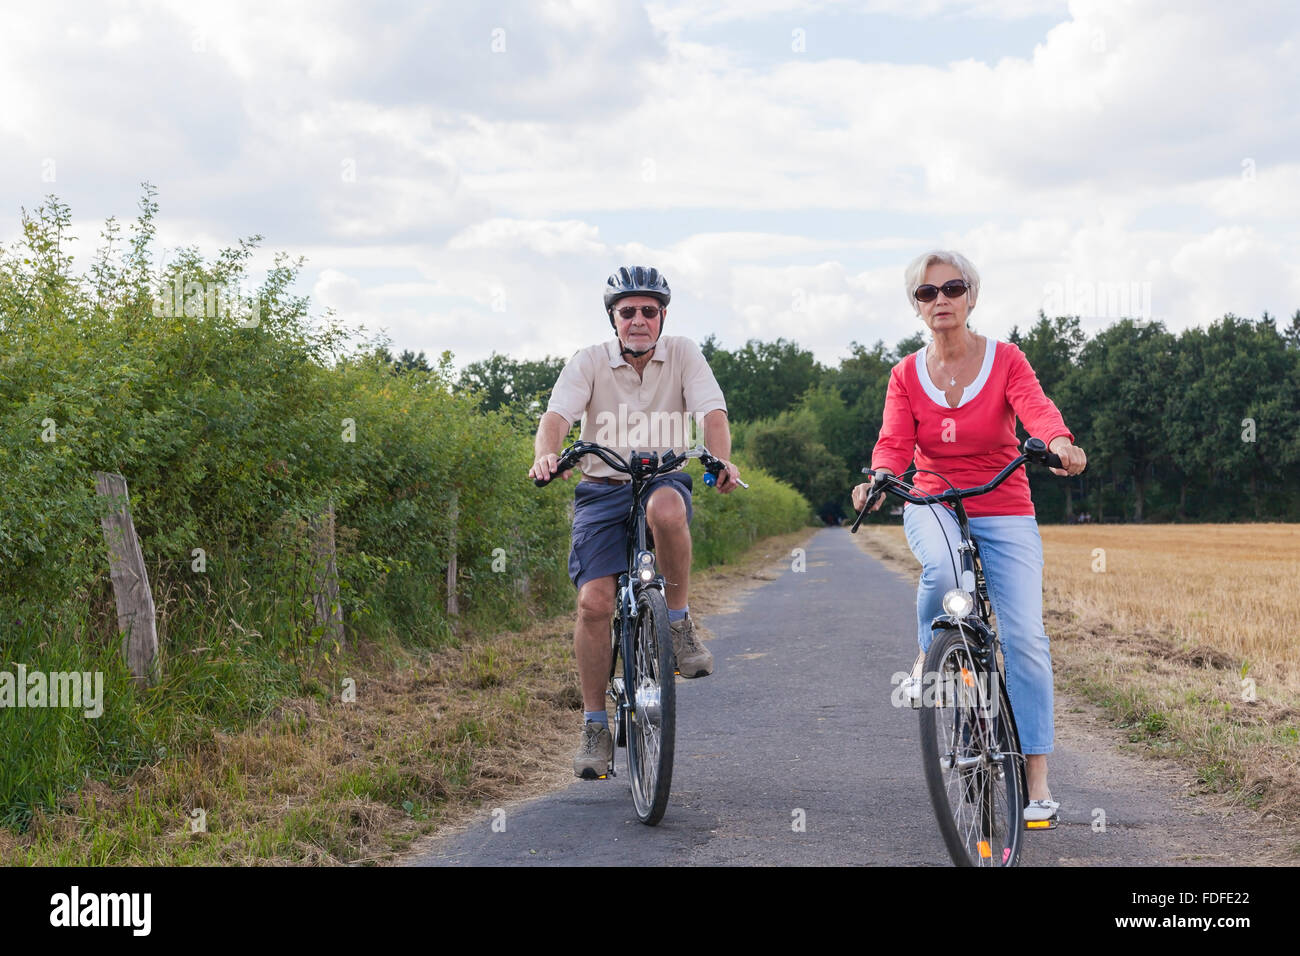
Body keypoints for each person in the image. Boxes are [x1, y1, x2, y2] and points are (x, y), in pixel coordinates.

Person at [851, 250, 1087, 823]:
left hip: (1003, 503)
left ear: (971, 296)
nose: (940, 301)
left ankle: (1036, 780)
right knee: (944, 572)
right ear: (916, 306)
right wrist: (879, 479)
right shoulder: (905, 375)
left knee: (1026, 639)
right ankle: (929, 660)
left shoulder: (1005, 360)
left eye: (951, 289)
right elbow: (893, 442)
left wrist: (1059, 444)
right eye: (926, 294)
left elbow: (1038, 410)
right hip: (932, 497)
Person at [529, 266, 743, 779]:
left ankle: (678, 623)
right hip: (601, 488)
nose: (639, 320)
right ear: (614, 318)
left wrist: (721, 460)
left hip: (661, 477)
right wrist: (547, 454)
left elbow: (713, 412)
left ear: (663, 316)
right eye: (628, 312)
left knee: (665, 509)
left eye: (650, 311)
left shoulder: (685, 353)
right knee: (594, 603)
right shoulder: (588, 362)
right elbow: (556, 418)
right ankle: (595, 725)